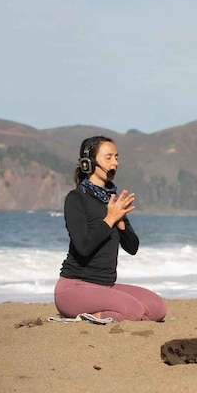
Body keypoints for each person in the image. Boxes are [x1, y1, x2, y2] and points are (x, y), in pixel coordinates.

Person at [53, 135, 167, 322]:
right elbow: (83, 246)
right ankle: (92, 315)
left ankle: (115, 312)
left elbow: (132, 248)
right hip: (74, 288)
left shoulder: (111, 200)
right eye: (108, 157)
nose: (115, 163)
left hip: (105, 286)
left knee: (158, 307)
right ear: (87, 163)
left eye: (116, 157)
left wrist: (120, 222)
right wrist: (109, 219)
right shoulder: (76, 199)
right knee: (134, 311)